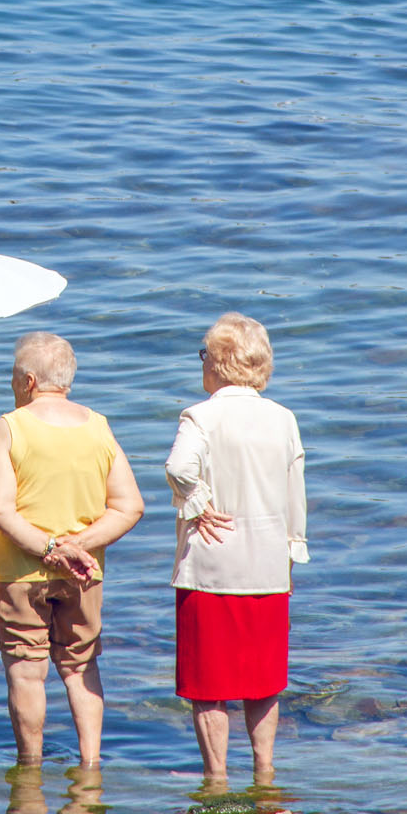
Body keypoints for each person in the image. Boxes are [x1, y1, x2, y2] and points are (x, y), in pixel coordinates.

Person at [0, 331, 143, 768]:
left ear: (30, 381)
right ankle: (91, 764)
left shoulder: (11, 426)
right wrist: (78, 546)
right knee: (81, 666)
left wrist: (51, 547)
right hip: (85, 571)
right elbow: (130, 506)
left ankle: (30, 767)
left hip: (21, 570)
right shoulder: (98, 425)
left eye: (15, 377)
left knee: (26, 668)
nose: (14, 386)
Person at [165, 312, 309, 788]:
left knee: (209, 687)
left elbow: (179, 466)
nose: (201, 363)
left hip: (210, 565)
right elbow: (295, 493)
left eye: (204, 355)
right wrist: (292, 549)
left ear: (220, 363)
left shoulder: (200, 415)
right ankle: (265, 773)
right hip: (268, 565)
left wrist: (201, 502)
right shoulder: (284, 418)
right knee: (263, 679)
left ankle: (217, 779)